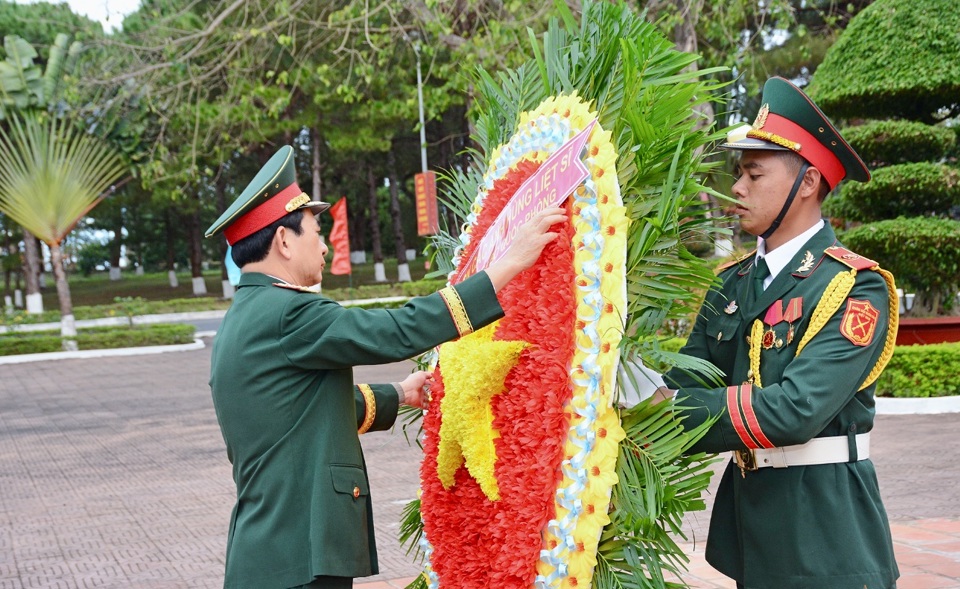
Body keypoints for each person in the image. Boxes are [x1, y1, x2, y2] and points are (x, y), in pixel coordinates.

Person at [204, 145, 567, 589]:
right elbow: (394, 331)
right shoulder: (288, 313)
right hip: (300, 553)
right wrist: (510, 261)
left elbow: (296, 412)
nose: (323, 247)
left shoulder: (245, 316)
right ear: (283, 240)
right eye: (316, 233)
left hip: (272, 551)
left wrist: (399, 393)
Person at [653, 78, 900, 588]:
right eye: (738, 173)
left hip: (826, 528)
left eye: (753, 174)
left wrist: (664, 405)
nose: (736, 188)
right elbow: (685, 379)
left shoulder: (854, 287)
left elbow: (796, 411)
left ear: (807, 184)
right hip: (753, 523)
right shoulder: (733, 282)